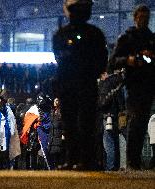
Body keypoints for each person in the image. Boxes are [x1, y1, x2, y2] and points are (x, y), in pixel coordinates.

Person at [52, 0, 108, 170]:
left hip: (81, 83)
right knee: (73, 122)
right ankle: (76, 158)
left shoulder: (91, 34)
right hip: (74, 83)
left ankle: (83, 159)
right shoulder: (89, 33)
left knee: (85, 122)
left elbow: (101, 59)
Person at [109, 4, 155, 170]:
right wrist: (130, 60)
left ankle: (134, 161)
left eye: (146, 18)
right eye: (141, 17)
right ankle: (132, 161)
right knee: (135, 121)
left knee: (141, 123)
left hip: (148, 85)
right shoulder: (128, 38)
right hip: (134, 84)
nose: (143, 21)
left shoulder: (151, 38)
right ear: (135, 18)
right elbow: (113, 61)